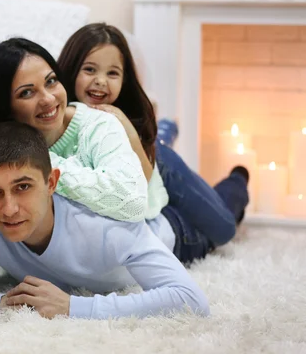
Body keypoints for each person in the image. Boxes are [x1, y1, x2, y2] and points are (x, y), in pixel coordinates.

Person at [0, 122, 209, 319]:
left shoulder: (105, 225)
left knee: (223, 216)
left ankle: (169, 144)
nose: (8, 209)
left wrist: (74, 307)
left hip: (176, 233)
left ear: (51, 183)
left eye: (23, 187)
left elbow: (191, 300)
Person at [57, 23, 250, 262]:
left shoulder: (121, 117)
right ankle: (167, 129)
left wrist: (128, 130)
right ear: (71, 68)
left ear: (124, 79)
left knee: (224, 230)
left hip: (159, 165)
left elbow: (143, 182)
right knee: (192, 220)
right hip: (149, 174)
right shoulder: (59, 116)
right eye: (89, 69)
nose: (101, 81)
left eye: (112, 73)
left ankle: (237, 179)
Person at [0, 37, 148, 223]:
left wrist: (40, 164)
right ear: (3, 108)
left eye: (51, 81)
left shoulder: (99, 125)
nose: (49, 99)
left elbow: (133, 203)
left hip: (162, 205)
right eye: (26, 92)